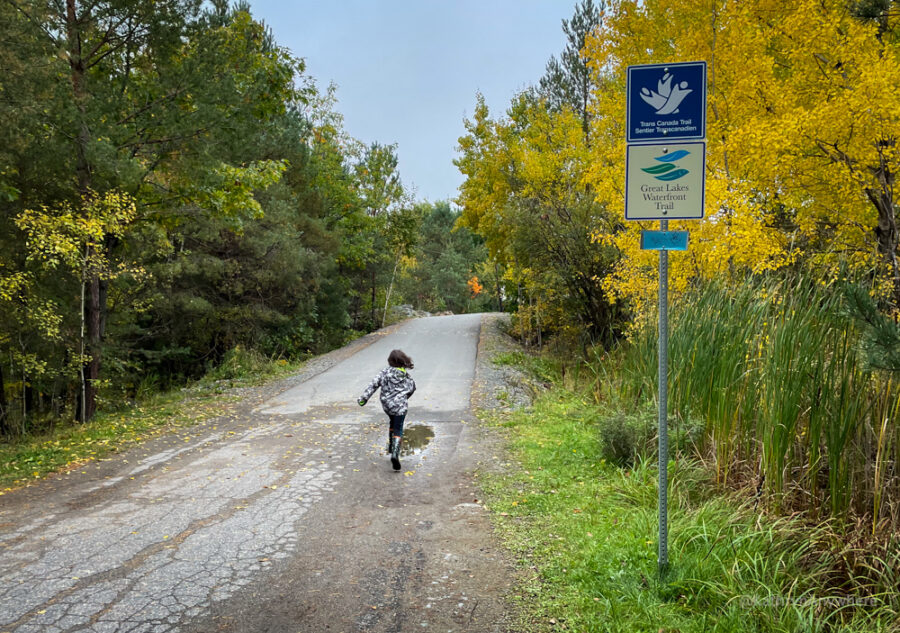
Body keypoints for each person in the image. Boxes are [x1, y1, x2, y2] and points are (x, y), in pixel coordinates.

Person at [358, 349, 416, 471]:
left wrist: (364, 398)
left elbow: (373, 384)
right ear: (403, 361)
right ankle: (395, 453)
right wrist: (404, 397)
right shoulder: (405, 375)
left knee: (392, 421)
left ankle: (391, 446)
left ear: (390, 361)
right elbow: (412, 388)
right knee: (398, 428)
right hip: (400, 406)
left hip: (387, 406)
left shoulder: (384, 372)